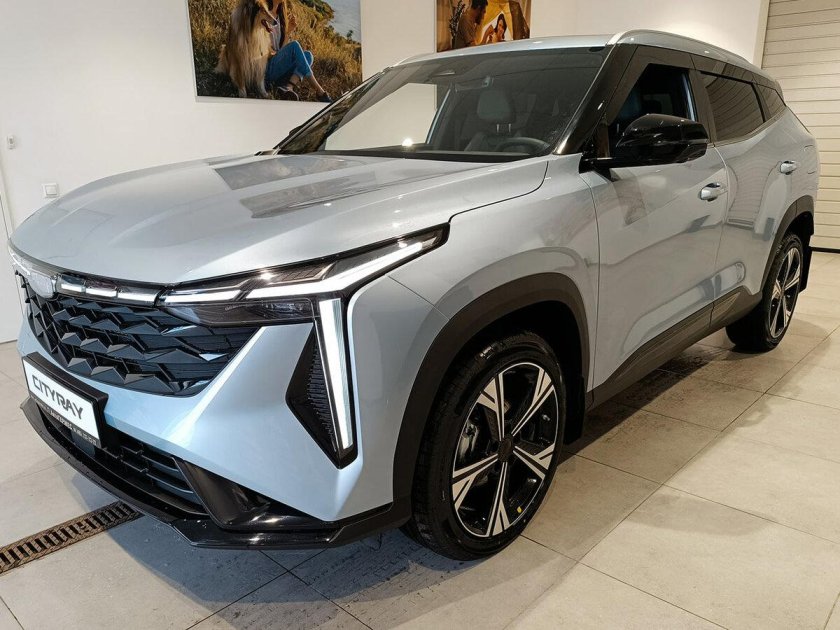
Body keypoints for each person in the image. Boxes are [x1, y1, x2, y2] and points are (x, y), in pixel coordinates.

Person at [265, 6, 331, 102]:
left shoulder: (280, 17)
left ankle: (288, 87)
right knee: (294, 45)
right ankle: (320, 91)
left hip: (278, 72)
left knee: (308, 55)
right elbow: (265, 52)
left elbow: (280, 51)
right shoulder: (264, 14)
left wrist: (288, 32)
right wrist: (281, 53)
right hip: (266, 72)